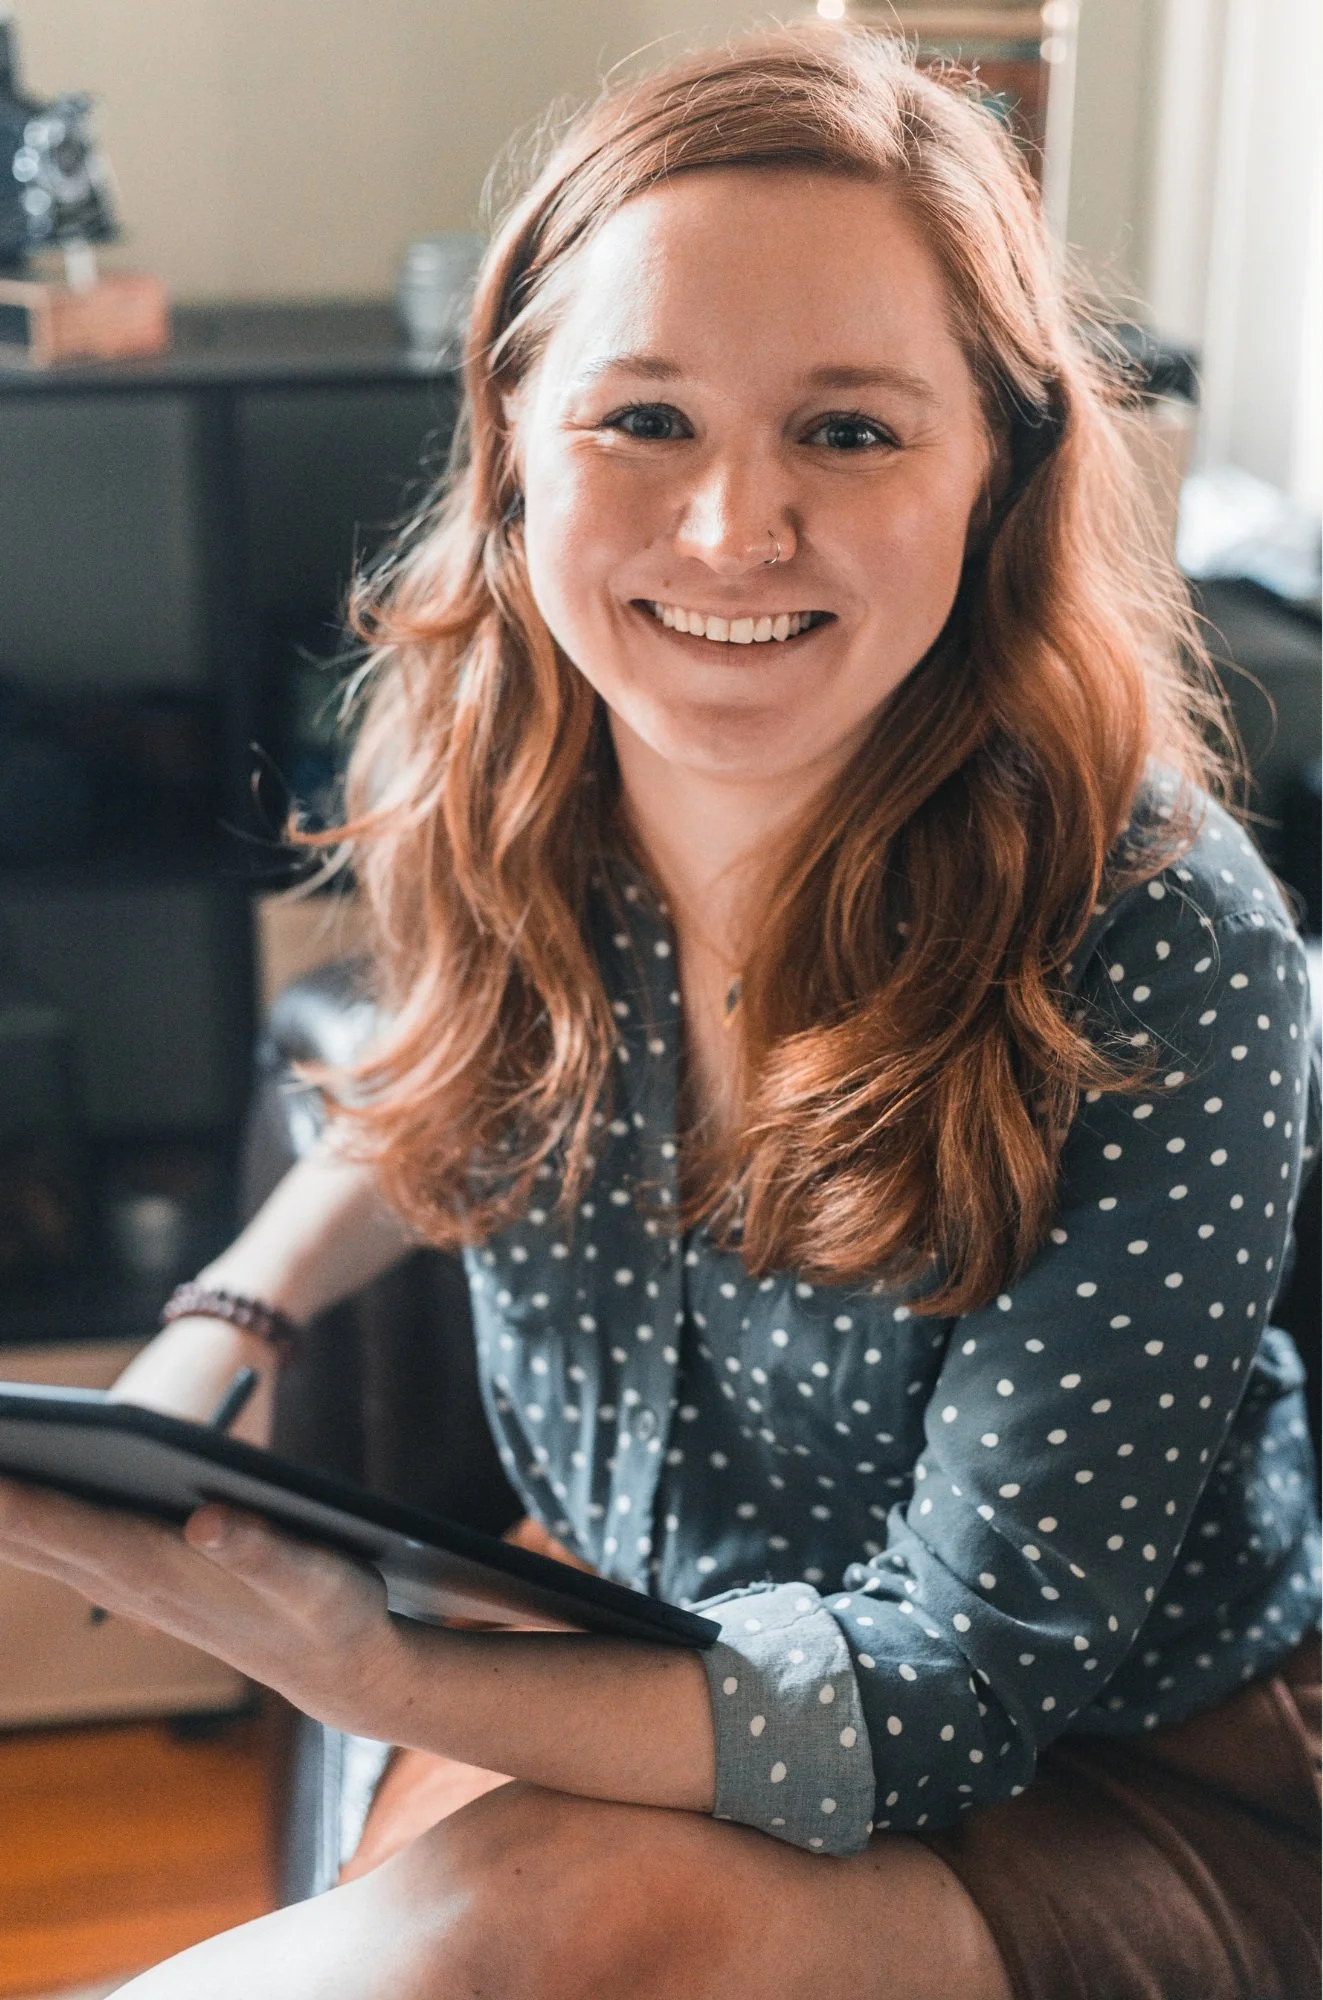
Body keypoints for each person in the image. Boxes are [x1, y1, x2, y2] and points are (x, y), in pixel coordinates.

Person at [0, 26, 1318, 1999]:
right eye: (645, 420)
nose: (727, 531)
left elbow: (961, 1679)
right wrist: (219, 1325)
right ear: (514, 425)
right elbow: (437, 1079)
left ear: (999, 469)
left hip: (1108, 1761)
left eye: (850, 431)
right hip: (642, 1630)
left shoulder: (1162, 937)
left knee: (523, 1931)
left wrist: (372, 1669)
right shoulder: (498, 766)